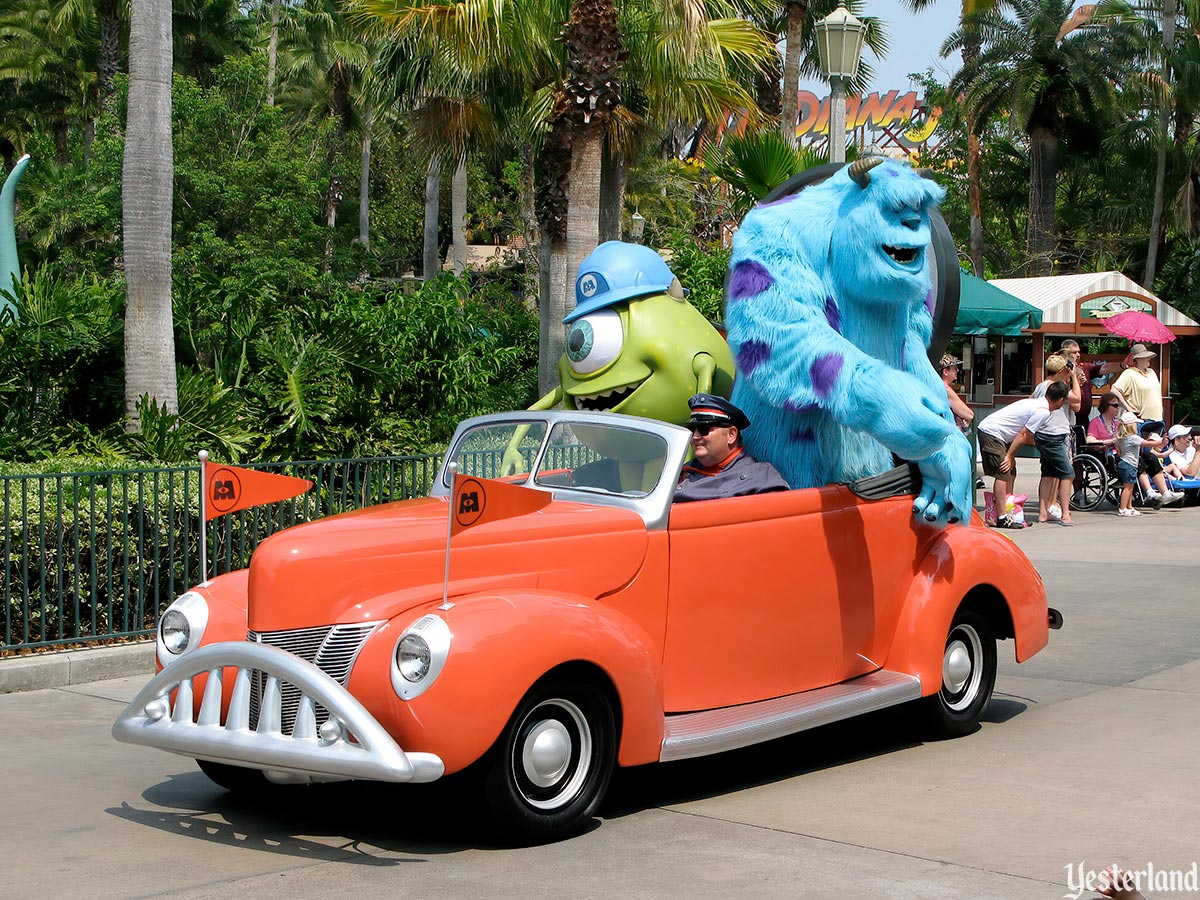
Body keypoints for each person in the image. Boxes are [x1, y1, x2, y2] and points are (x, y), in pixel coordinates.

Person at [976, 381, 1069, 527]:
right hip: (992, 432)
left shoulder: (1037, 403)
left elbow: (1024, 435)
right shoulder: (1042, 410)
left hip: (1001, 435)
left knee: (1011, 472)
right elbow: (1024, 434)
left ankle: (1009, 512)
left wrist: (1011, 455)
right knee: (1003, 470)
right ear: (1061, 400)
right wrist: (1009, 455)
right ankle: (1001, 518)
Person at [673, 394, 790, 502]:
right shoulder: (677, 474)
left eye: (704, 428)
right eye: (693, 430)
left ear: (731, 435)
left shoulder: (761, 478)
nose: (695, 437)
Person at [1031, 355, 1081, 524]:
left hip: (1043, 433)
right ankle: (1066, 513)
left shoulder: (1040, 386)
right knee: (1068, 473)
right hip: (1055, 434)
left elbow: (1030, 401)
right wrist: (1074, 377)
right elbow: (1077, 399)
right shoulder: (1055, 387)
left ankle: (1043, 513)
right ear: (1061, 371)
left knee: (1048, 472)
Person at [1114, 412, 1175, 516]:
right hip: (1130, 465)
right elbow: (1147, 443)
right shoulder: (1133, 438)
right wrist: (1161, 442)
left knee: (1130, 487)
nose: (1137, 426)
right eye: (1135, 424)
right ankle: (1123, 508)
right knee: (1128, 488)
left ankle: (1129, 507)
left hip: (1124, 463)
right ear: (1131, 426)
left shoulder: (1120, 439)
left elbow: (1119, 451)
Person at [1059, 339, 1122, 426]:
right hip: (1068, 418)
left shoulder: (1084, 367)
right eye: (1074, 352)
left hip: (1084, 418)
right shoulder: (1062, 372)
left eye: (1078, 352)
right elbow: (1075, 406)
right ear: (1065, 353)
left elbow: (1104, 368)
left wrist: (1123, 365)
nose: (1078, 355)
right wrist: (1074, 378)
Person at [1111, 343, 1164, 423]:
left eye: (1148, 356)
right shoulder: (1129, 373)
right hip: (1141, 421)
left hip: (1158, 420)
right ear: (1137, 359)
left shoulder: (1151, 372)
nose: (1148, 358)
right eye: (1145, 356)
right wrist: (1128, 408)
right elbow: (1114, 391)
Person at [939, 353, 974, 433]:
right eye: (954, 368)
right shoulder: (945, 389)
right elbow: (970, 415)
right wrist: (965, 418)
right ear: (945, 372)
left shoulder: (937, 387)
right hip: (950, 437)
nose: (957, 370)